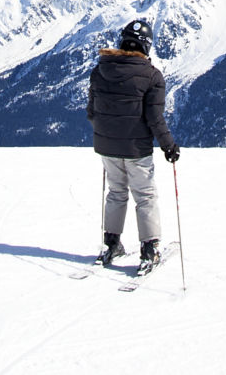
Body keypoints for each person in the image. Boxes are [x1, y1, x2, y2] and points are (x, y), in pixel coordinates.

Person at [88, 18, 179, 270]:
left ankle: (111, 244)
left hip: (107, 146)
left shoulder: (100, 70)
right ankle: (149, 249)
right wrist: (169, 145)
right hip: (137, 148)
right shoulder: (151, 76)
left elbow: (92, 110)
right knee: (145, 195)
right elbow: (154, 118)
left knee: (116, 193)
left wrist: (105, 133)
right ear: (146, 46)